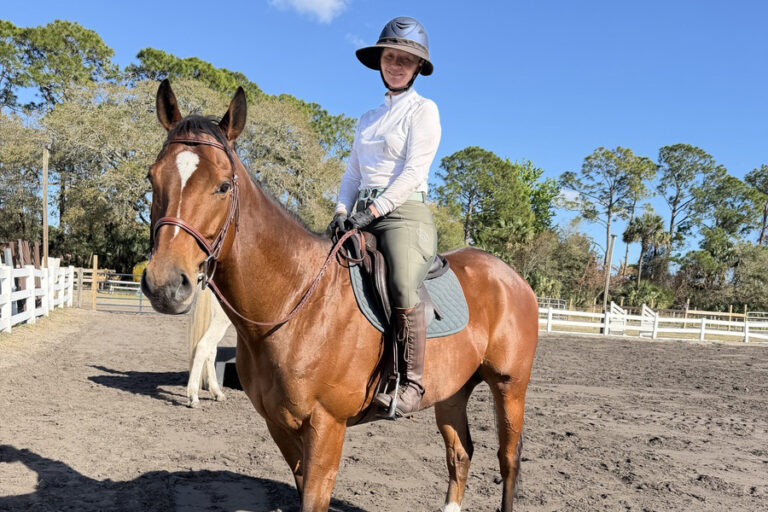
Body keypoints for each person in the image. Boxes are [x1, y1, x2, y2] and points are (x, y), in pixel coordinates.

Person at [328, 16, 441, 416]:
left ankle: (411, 383)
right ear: (380, 61)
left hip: (404, 214)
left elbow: (413, 173)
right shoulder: (367, 119)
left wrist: (373, 210)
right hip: (362, 212)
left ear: (416, 69)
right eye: (390, 57)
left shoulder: (423, 111)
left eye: (405, 60)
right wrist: (343, 209)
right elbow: (353, 174)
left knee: (400, 281)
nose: (396, 65)